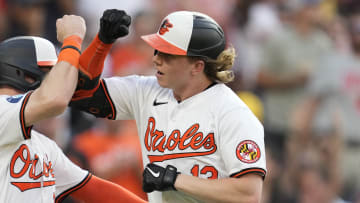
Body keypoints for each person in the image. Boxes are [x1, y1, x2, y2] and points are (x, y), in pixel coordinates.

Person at [71, 9, 266, 202]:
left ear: (197, 66)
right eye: (157, 50)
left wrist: (174, 179)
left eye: (168, 54)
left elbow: (248, 194)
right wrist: (102, 43)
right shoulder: (145, 90)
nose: (156, 59)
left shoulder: (233, 113)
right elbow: (79, 93)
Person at [0, 14, 146, 203]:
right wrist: (72, 38)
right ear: (25, 75)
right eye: (52, 73)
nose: (60, 81)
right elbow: (56, 99)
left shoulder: (42, 145)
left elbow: (94, 189)